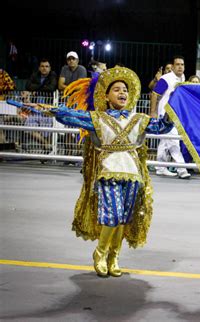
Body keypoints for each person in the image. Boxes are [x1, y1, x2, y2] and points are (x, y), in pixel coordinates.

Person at [10, 66, 174, 277]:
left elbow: (162, 127)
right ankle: (100, 252)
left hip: (134, 176)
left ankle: (114, 256)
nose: (122, 92)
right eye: (116, 89)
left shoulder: (139, 120)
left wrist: (173, 109)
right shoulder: (97, 118)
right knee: (112, 216)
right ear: (106, 96)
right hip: (108, 173)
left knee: (124, 218)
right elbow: (67, 115)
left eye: (125, 89)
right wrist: (41, 108)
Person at [151, 55, 191, 179]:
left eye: (182, 64)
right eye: (177, 64)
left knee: (165, 142)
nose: (180, 67)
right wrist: (153, 112)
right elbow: (154, 94)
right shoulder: (166, 79)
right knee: (174, 141)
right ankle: (182, 170)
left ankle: (160, 168)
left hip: (176, 116)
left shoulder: (183, 78)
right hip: (165, 116)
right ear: (172, 67)